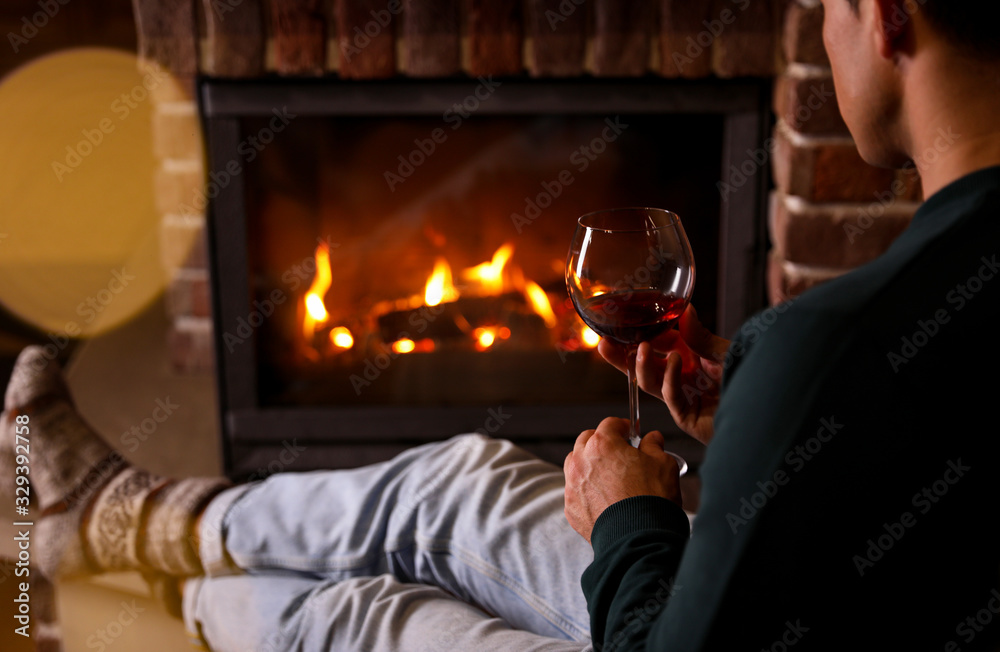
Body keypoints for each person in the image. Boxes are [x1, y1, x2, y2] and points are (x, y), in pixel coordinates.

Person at [3, 0, 1000, 649]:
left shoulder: (828, 340)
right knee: (461, 479)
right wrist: (754, 422)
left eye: (823, 6)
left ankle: (135, 593)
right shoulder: (860, 337)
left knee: (359, 614)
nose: (821, 32)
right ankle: (118, 513)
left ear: (886, 16)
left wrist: (629, 515)